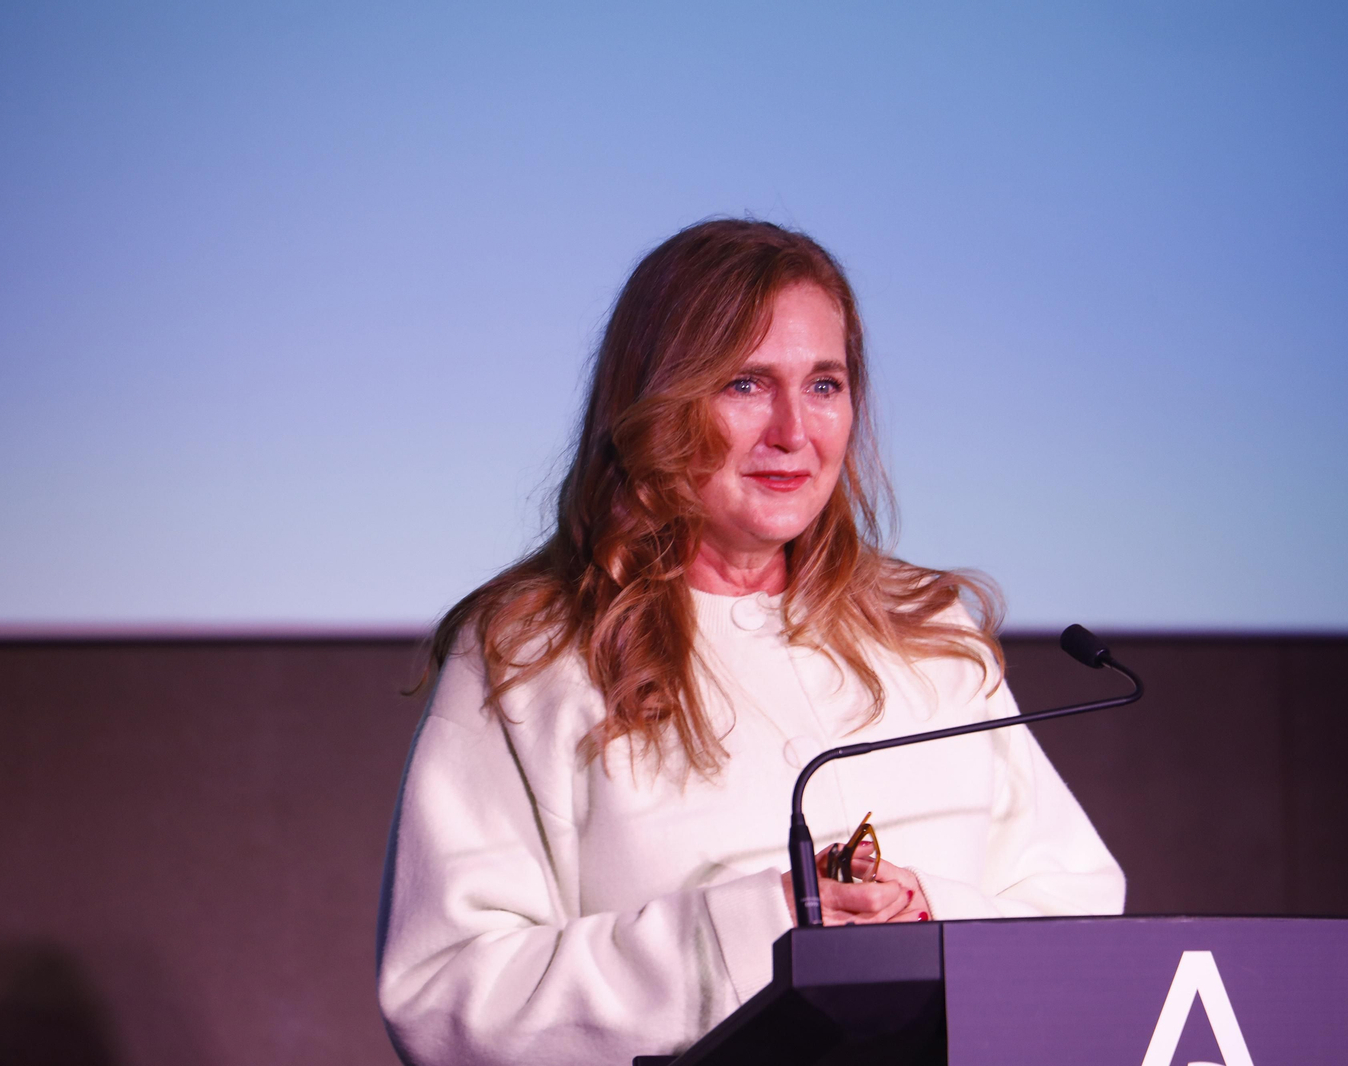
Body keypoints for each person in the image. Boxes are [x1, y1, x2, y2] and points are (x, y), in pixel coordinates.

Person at [376, 219, 1124, 1065]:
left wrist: (929, 922)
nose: (793, 432)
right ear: (657, 403)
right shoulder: (535, 656)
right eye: (744, 384)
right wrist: (757, 934)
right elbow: (445, 995)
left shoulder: (932, 635)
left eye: (825, 385)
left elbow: (1082, 918)